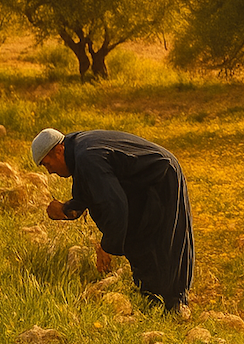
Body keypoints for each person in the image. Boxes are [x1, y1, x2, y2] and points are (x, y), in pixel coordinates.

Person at [32, 127, 194, 313]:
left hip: (162, 177)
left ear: (59, 150)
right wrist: (66, 209)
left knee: (157, 242)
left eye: (47, 164)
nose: (50, 171)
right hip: (145, 181)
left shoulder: (86, 157)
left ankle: (173, 307)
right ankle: (153, 303)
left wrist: (106, 246)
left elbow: (114, 205)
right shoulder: (77, 150)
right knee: (138, 238)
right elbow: (91, 190)